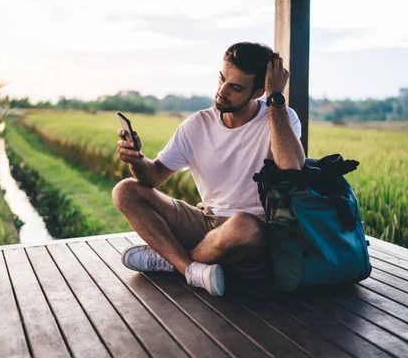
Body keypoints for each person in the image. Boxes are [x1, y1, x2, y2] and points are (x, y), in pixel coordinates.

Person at [112, 42, 305, 297]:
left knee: (241, 227)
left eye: (235, 87)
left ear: (259, 91)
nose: (222, 92)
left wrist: (276, 98)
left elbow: (291, 168)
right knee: (125, 190)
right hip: (206, 221)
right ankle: (187, 268)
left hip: (253, 232)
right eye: (222, 79)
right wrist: (136, 159)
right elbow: (153, 176)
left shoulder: (281, 117)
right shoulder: (197, 124)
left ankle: (172, 260)